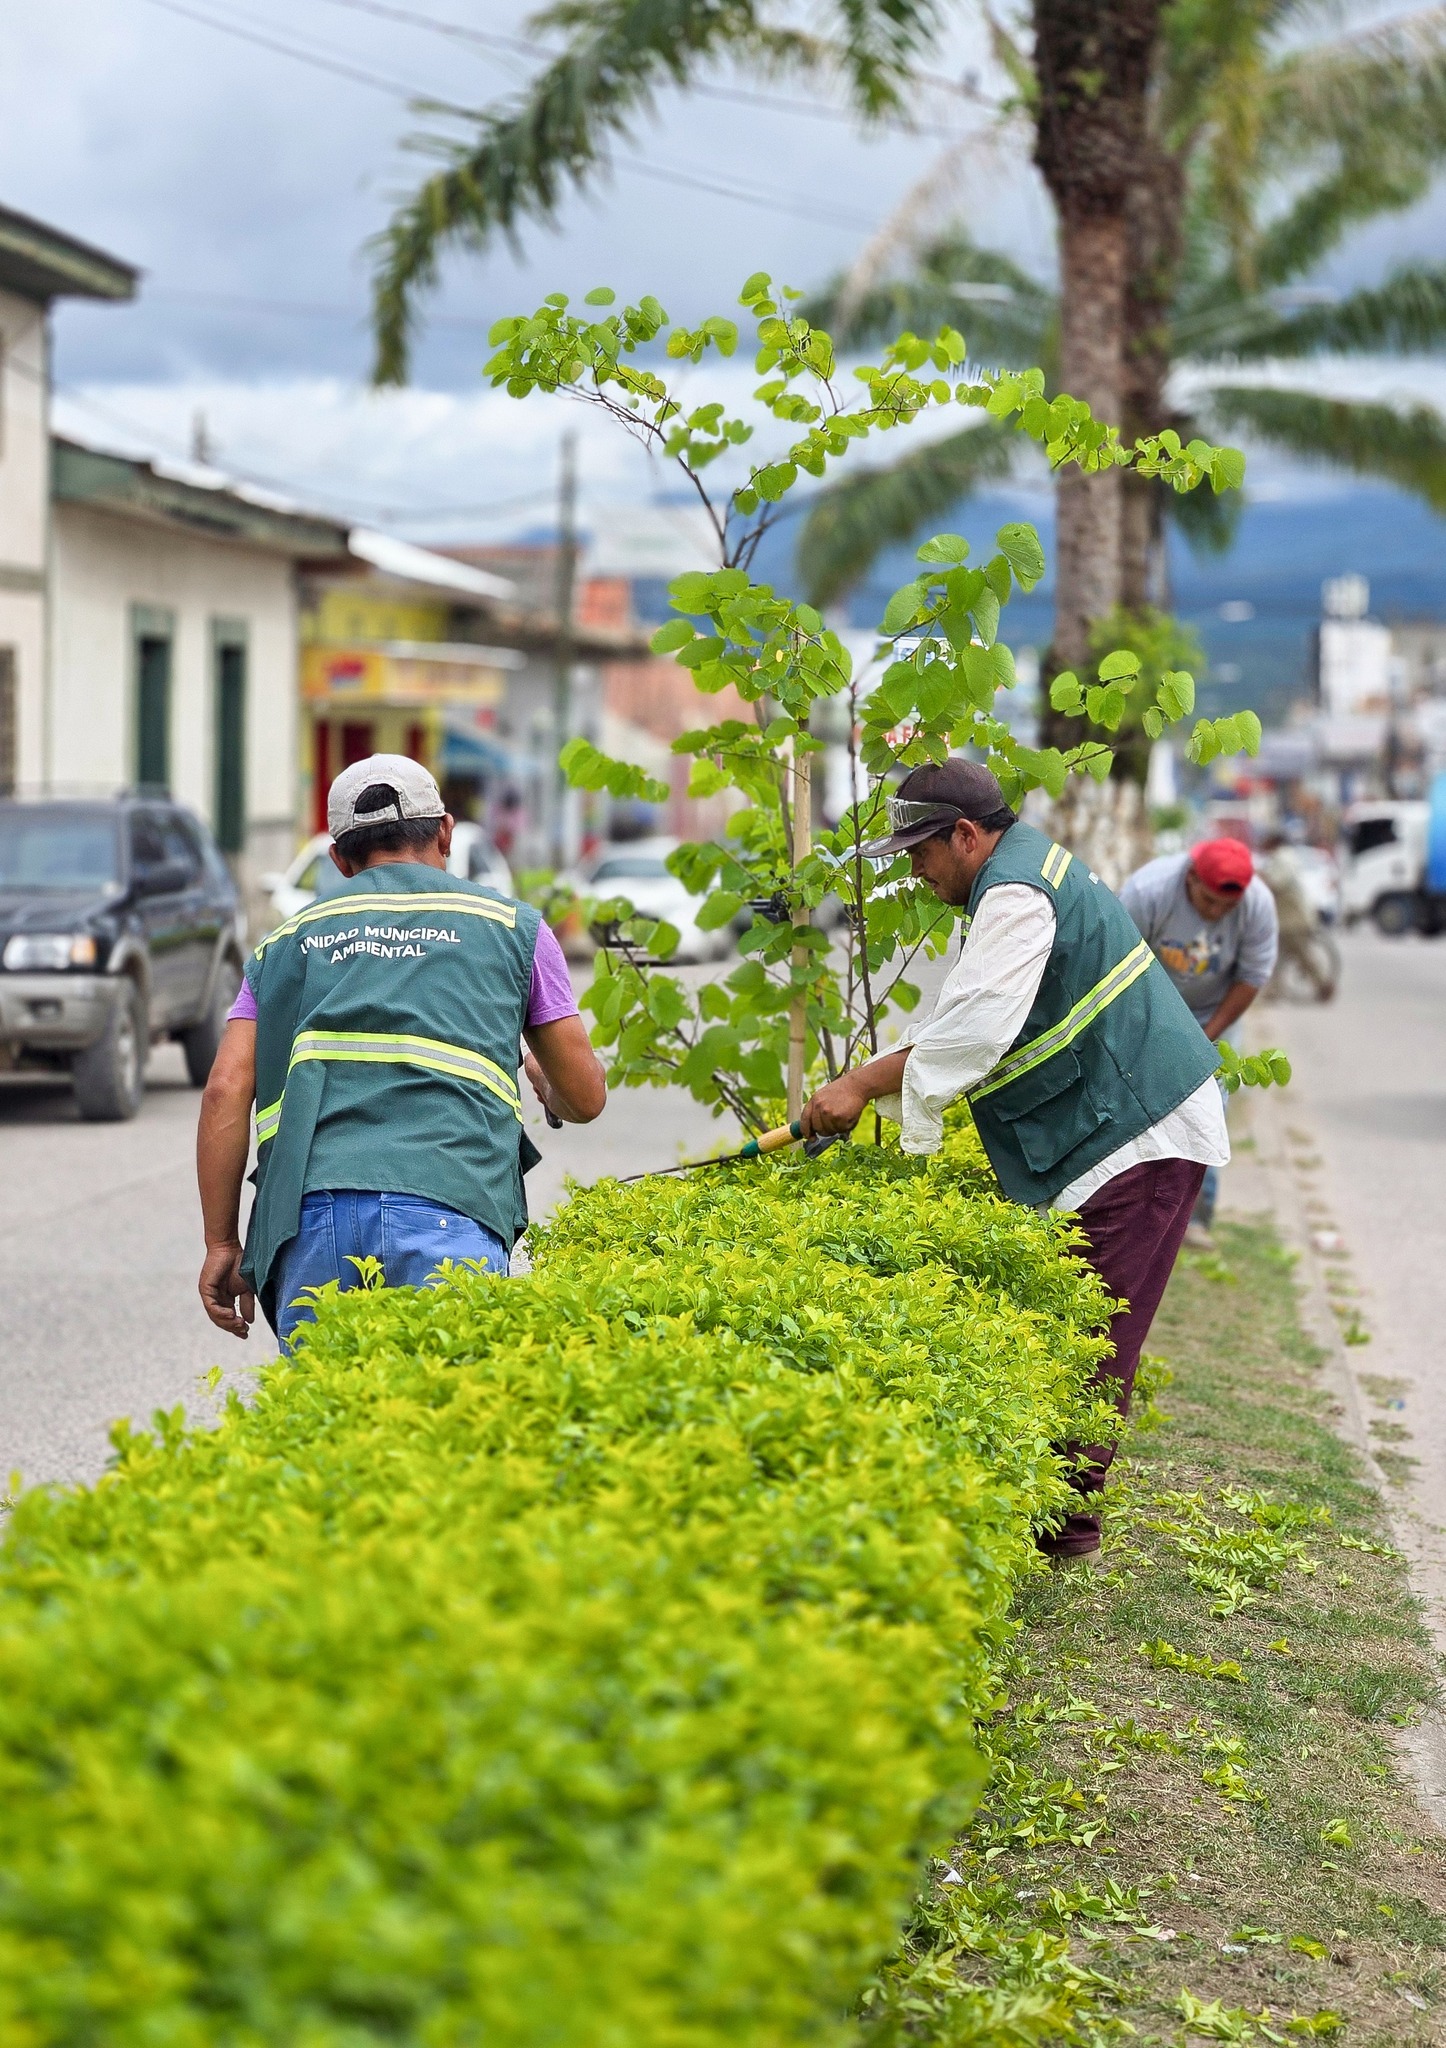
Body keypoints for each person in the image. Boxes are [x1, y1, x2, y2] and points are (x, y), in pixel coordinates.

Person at [800, 760, 1228, 1564]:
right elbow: (968, 1017)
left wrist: (860, 1083)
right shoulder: (1019, 872)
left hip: (1139, 1130)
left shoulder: (1016, 892)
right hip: (1117, 1126)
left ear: (966, 836)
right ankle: (1052, 1516)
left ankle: (1067, 1531)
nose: (916, 871)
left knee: (1096, 1335)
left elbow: (971, 1033)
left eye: (920, 853)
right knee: (1077, 1321)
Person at [197, 755, 606, 1350]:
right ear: (444, 831)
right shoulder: (513, 928)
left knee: (324, 1422)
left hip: (311, 1220)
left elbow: (224, 1091)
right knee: (443, 1419)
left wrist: (221, 1243)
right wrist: (543, 1076)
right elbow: (587, 1097)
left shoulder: (284, 943)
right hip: (452, 1206)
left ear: (339, 859)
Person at [1118, 837, 1278, 1241]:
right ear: (1191, 878)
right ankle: (1135, 1207)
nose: (1217, 914)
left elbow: (1251, 977)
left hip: (1213, 1015)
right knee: (1134, 1099)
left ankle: (1196, 1215)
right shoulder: (1147, 892)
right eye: (1209, 902)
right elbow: (1116, 962)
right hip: (1148, 1007)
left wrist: (1204, 1037)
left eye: (1228, 908)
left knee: (1210, 1105)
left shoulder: (1258, 904)